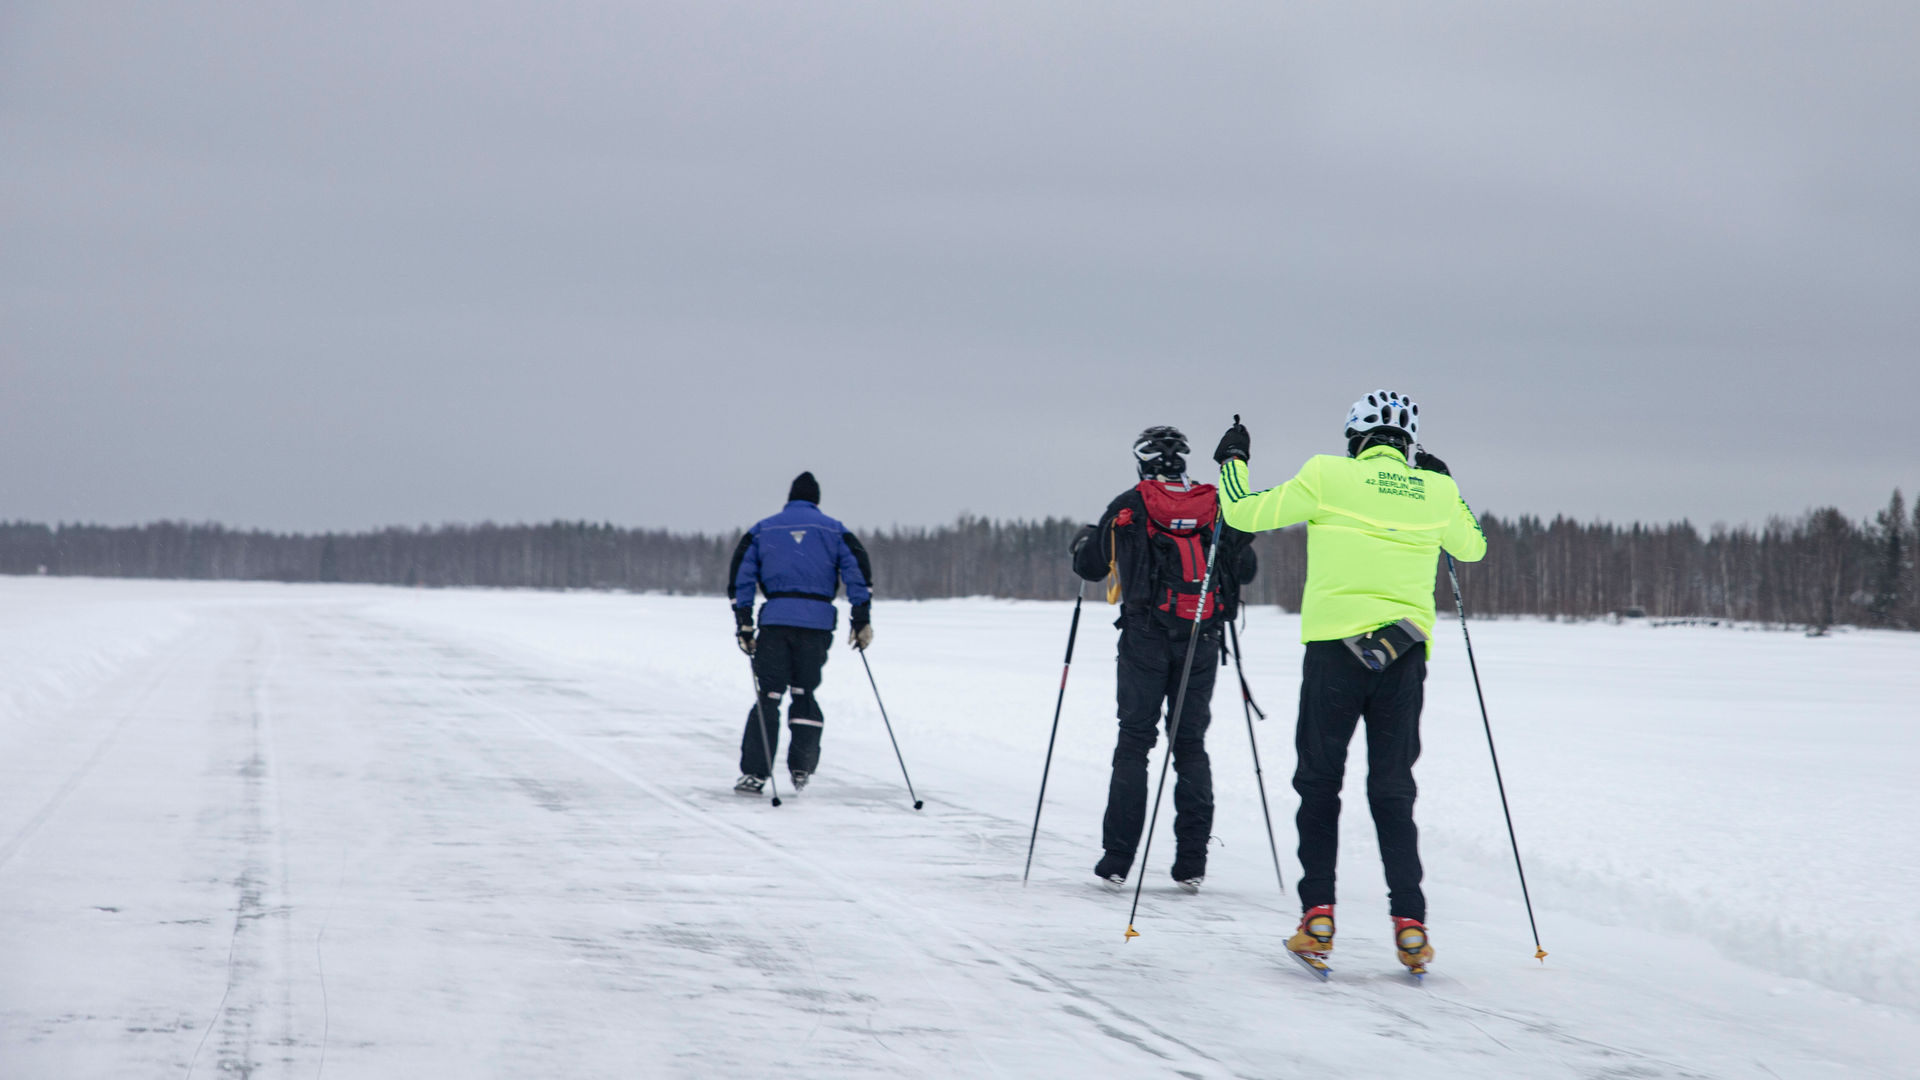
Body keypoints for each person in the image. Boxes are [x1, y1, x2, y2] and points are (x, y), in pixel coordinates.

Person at [1212, 390, 1486, 976]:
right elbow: (1473, 546)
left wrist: (1233, 460)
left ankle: (1318, 918)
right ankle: (1411, 926)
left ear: (1355, 439)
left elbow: (1241, 513)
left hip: (1334, 651)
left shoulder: (1326, 474)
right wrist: (1445, 484)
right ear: (1408, 444)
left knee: (1319, 783)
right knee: (1392, 789)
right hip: (1403, 655)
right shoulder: (1435, 490)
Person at [1070, 426, 1258, 891]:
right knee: (1189, 745)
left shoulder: (1130, 504)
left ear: (1142, 462)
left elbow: (1090, 567)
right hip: (1202, 638)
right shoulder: (1215, 504)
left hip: (1145, 638)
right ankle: (1192, 864)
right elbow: (1246, 568)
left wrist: (1083, 542)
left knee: (1135, 743)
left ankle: (1117, 859)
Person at [727, 471, 873, 794]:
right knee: (804, 691)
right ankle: (802, 765)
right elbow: (858, 572)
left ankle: (754, 773)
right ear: (816, 500)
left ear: (790, 498)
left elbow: (742, 577)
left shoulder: (764, 529)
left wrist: (744, 622)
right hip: (816, 625)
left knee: (769, 694)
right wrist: (861, 618)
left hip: (776, 622)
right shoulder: (834, 530)